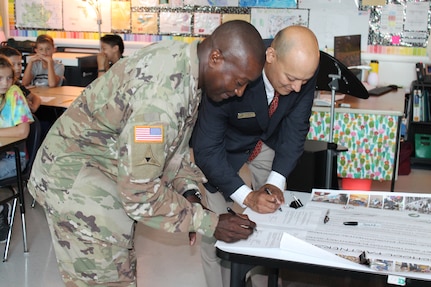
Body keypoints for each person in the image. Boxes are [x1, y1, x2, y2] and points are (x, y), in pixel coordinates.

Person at [27, 20, 266, 287]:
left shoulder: (184, 65)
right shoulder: (161, 100)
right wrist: (210, 223)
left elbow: (171, 150)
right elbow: (139, 193)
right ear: (215, 57)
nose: (239, 92)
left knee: (123, 276)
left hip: (103, 179)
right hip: (78, 189)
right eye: (239, 81)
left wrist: (190, 193)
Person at [191, 25, 320, 287]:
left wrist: (276, 180)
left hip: (267, 140)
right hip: (223, 145)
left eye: (303, 82)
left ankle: (259, 278)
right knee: (215, 228)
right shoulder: (236, 64)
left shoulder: (302, 68)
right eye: (291, 78)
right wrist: (247, 196)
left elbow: (296, 130)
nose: (297, 88)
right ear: (270, 56)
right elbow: (206, 148)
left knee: (273, 217)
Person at [0, 55, 34, 242]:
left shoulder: (14, 94)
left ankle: (1, 211)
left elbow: (22, 132)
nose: (5, 83)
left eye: (8, 78)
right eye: (0, 78)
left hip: (14, 158)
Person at [0, 46, 42, 113]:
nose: (17, 68)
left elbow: (35, 98)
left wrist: (33, 108)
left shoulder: (16, 85)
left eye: (19, 64)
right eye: (12, 64)